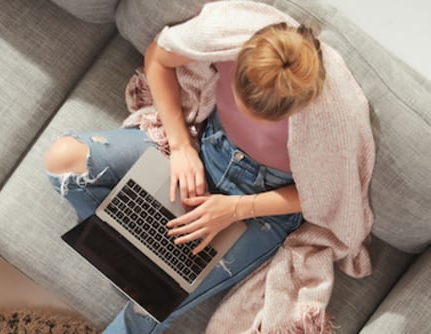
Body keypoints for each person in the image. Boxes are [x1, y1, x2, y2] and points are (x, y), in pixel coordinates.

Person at [43, 21, 326, 334]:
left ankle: (143, 260)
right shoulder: (229, 33)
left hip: (259, 208)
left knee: (150, 304)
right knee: (64, 160)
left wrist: (235, 209)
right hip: (198, 154)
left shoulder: (329, 124)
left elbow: (325, 196)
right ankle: (136, 251)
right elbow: (158, 56)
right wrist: (180, 147)